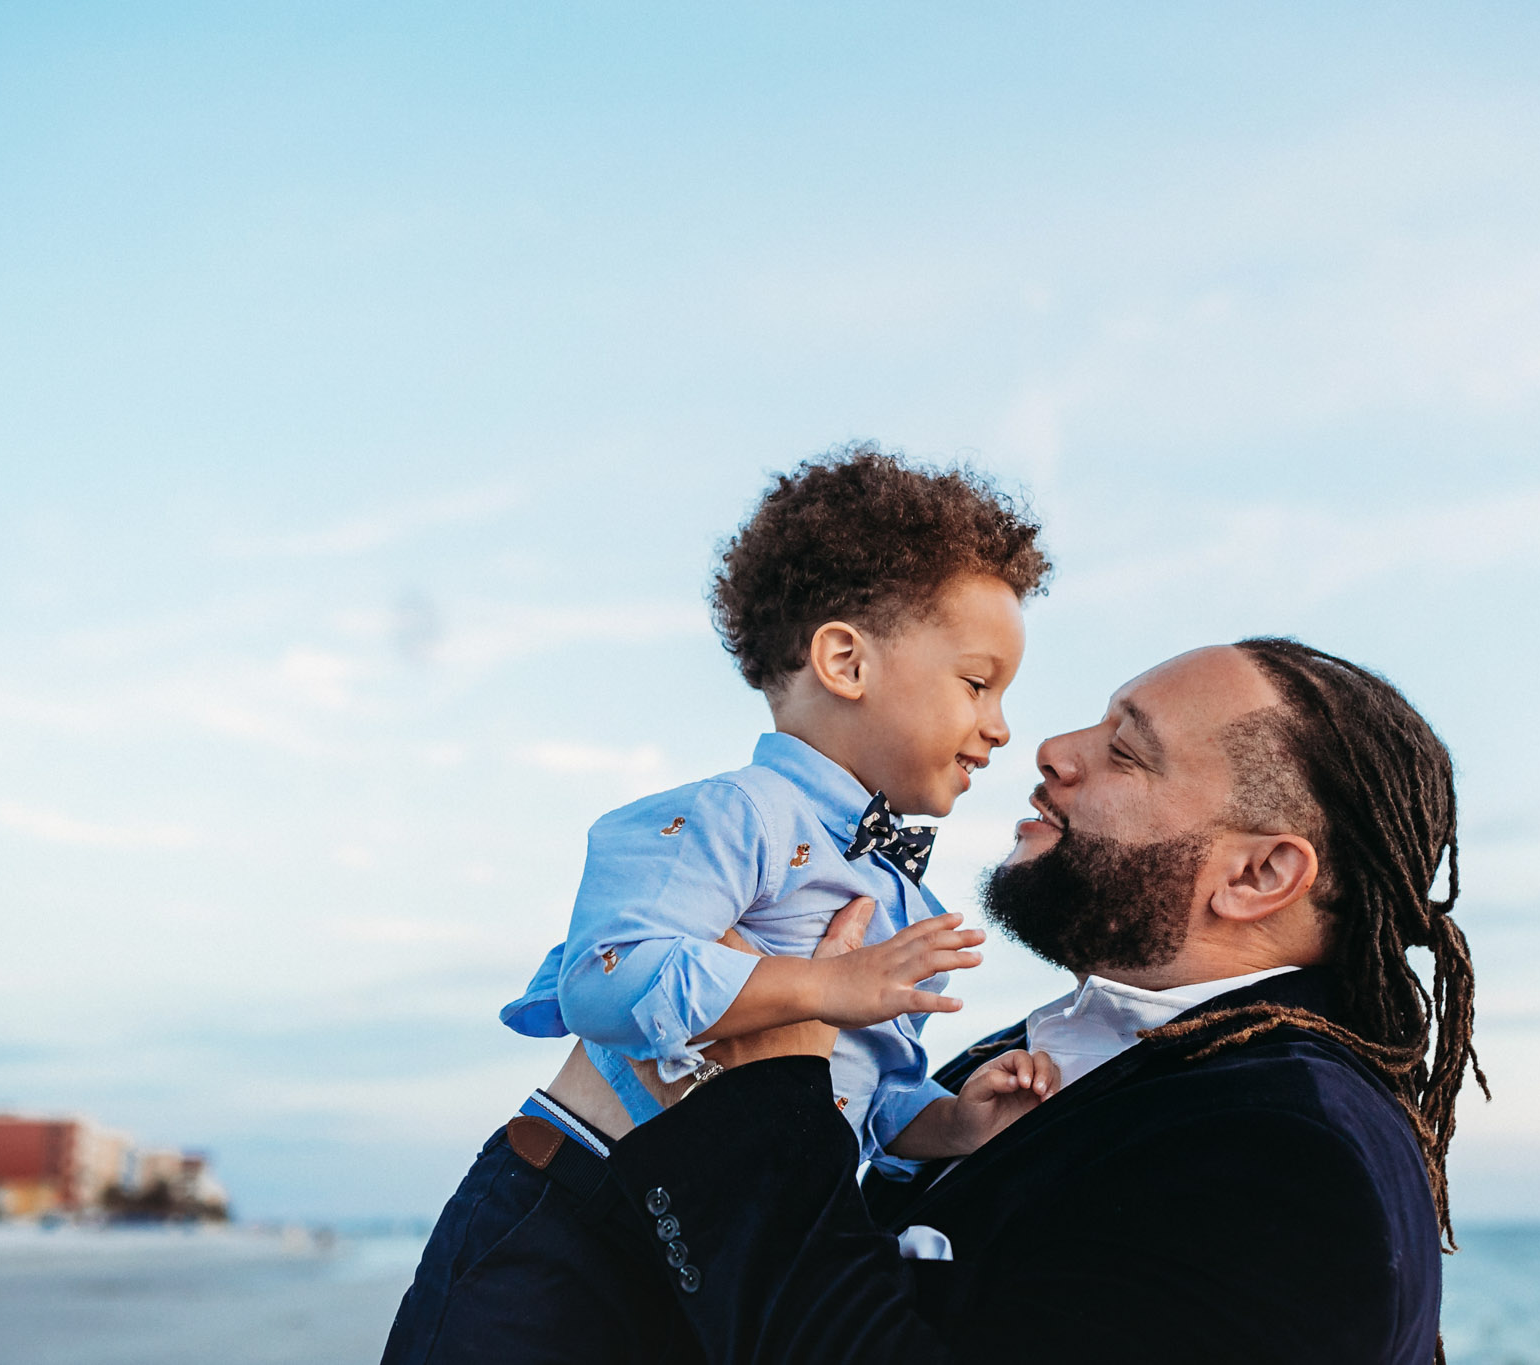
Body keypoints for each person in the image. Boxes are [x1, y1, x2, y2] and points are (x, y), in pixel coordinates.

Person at [600, 638, 1485, 1364]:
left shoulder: (1294, 1151)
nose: (1053, 749)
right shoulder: (1030, 1058)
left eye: (1125, 749)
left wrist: (767, 1090)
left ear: (1258, 874)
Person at [381, 446, 1058, 1365]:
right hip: (573, 1210)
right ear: (845, 660)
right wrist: (821, 986)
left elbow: (860, 1095)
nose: (1002, 726)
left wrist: (952, 1120)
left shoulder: (898, 889)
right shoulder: (732, 813)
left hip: (710, 1250)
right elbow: (603, 977)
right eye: (978, 683)